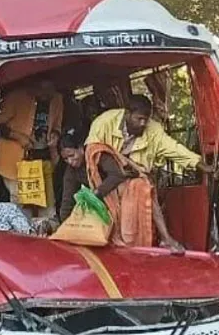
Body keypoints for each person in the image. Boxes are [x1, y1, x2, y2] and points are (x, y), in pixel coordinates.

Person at [84, 95, 200, 250]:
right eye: (139, 119)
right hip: (104, 174)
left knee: (146, 189)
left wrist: (198, 163)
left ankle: (162, 240)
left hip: (133, 175)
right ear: (127, 113)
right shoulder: (104, 122)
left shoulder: (153, 130)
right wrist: (114, 173)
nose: (143, 123)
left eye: (146, 119)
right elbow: (93, 152)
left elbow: (174, 148)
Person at [0, 81, 64, 203]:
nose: (47, 97)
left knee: (44, 202)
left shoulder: (57, 99)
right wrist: (18, 137)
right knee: (20, 200)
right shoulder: (16, 97)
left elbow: (58, 125)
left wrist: (55, 134)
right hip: (14, 160)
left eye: (50, 93)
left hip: (42, 159)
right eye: (43, 92)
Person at [55, 128, 89, 223]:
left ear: (81, 148)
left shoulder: (96, 157)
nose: (70, 161)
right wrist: (64, 225)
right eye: (65, 159)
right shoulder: (70, 171)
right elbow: (67, 201)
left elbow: (115, 177)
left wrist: (98, 192)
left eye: (72, 155)